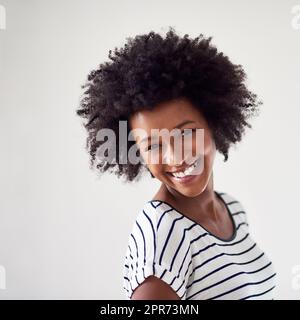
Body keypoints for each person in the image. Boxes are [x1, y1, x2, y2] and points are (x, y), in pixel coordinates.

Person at [76, 27, 276, 300]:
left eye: (185, 133)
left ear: (213, 122)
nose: (175, 158)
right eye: (153, 145)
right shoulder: (162, 232)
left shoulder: (232, 209)